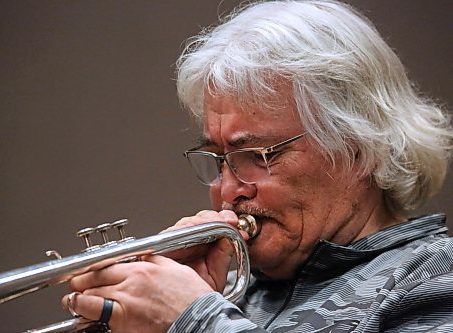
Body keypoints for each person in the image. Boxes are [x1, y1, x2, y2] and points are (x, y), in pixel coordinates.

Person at [62, 1, 453, 332]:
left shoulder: (434, 276)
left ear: (359, 146)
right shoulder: (232, 292)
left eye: (259, 156)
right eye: (219, 159)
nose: (228, 191)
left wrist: (195, 318)